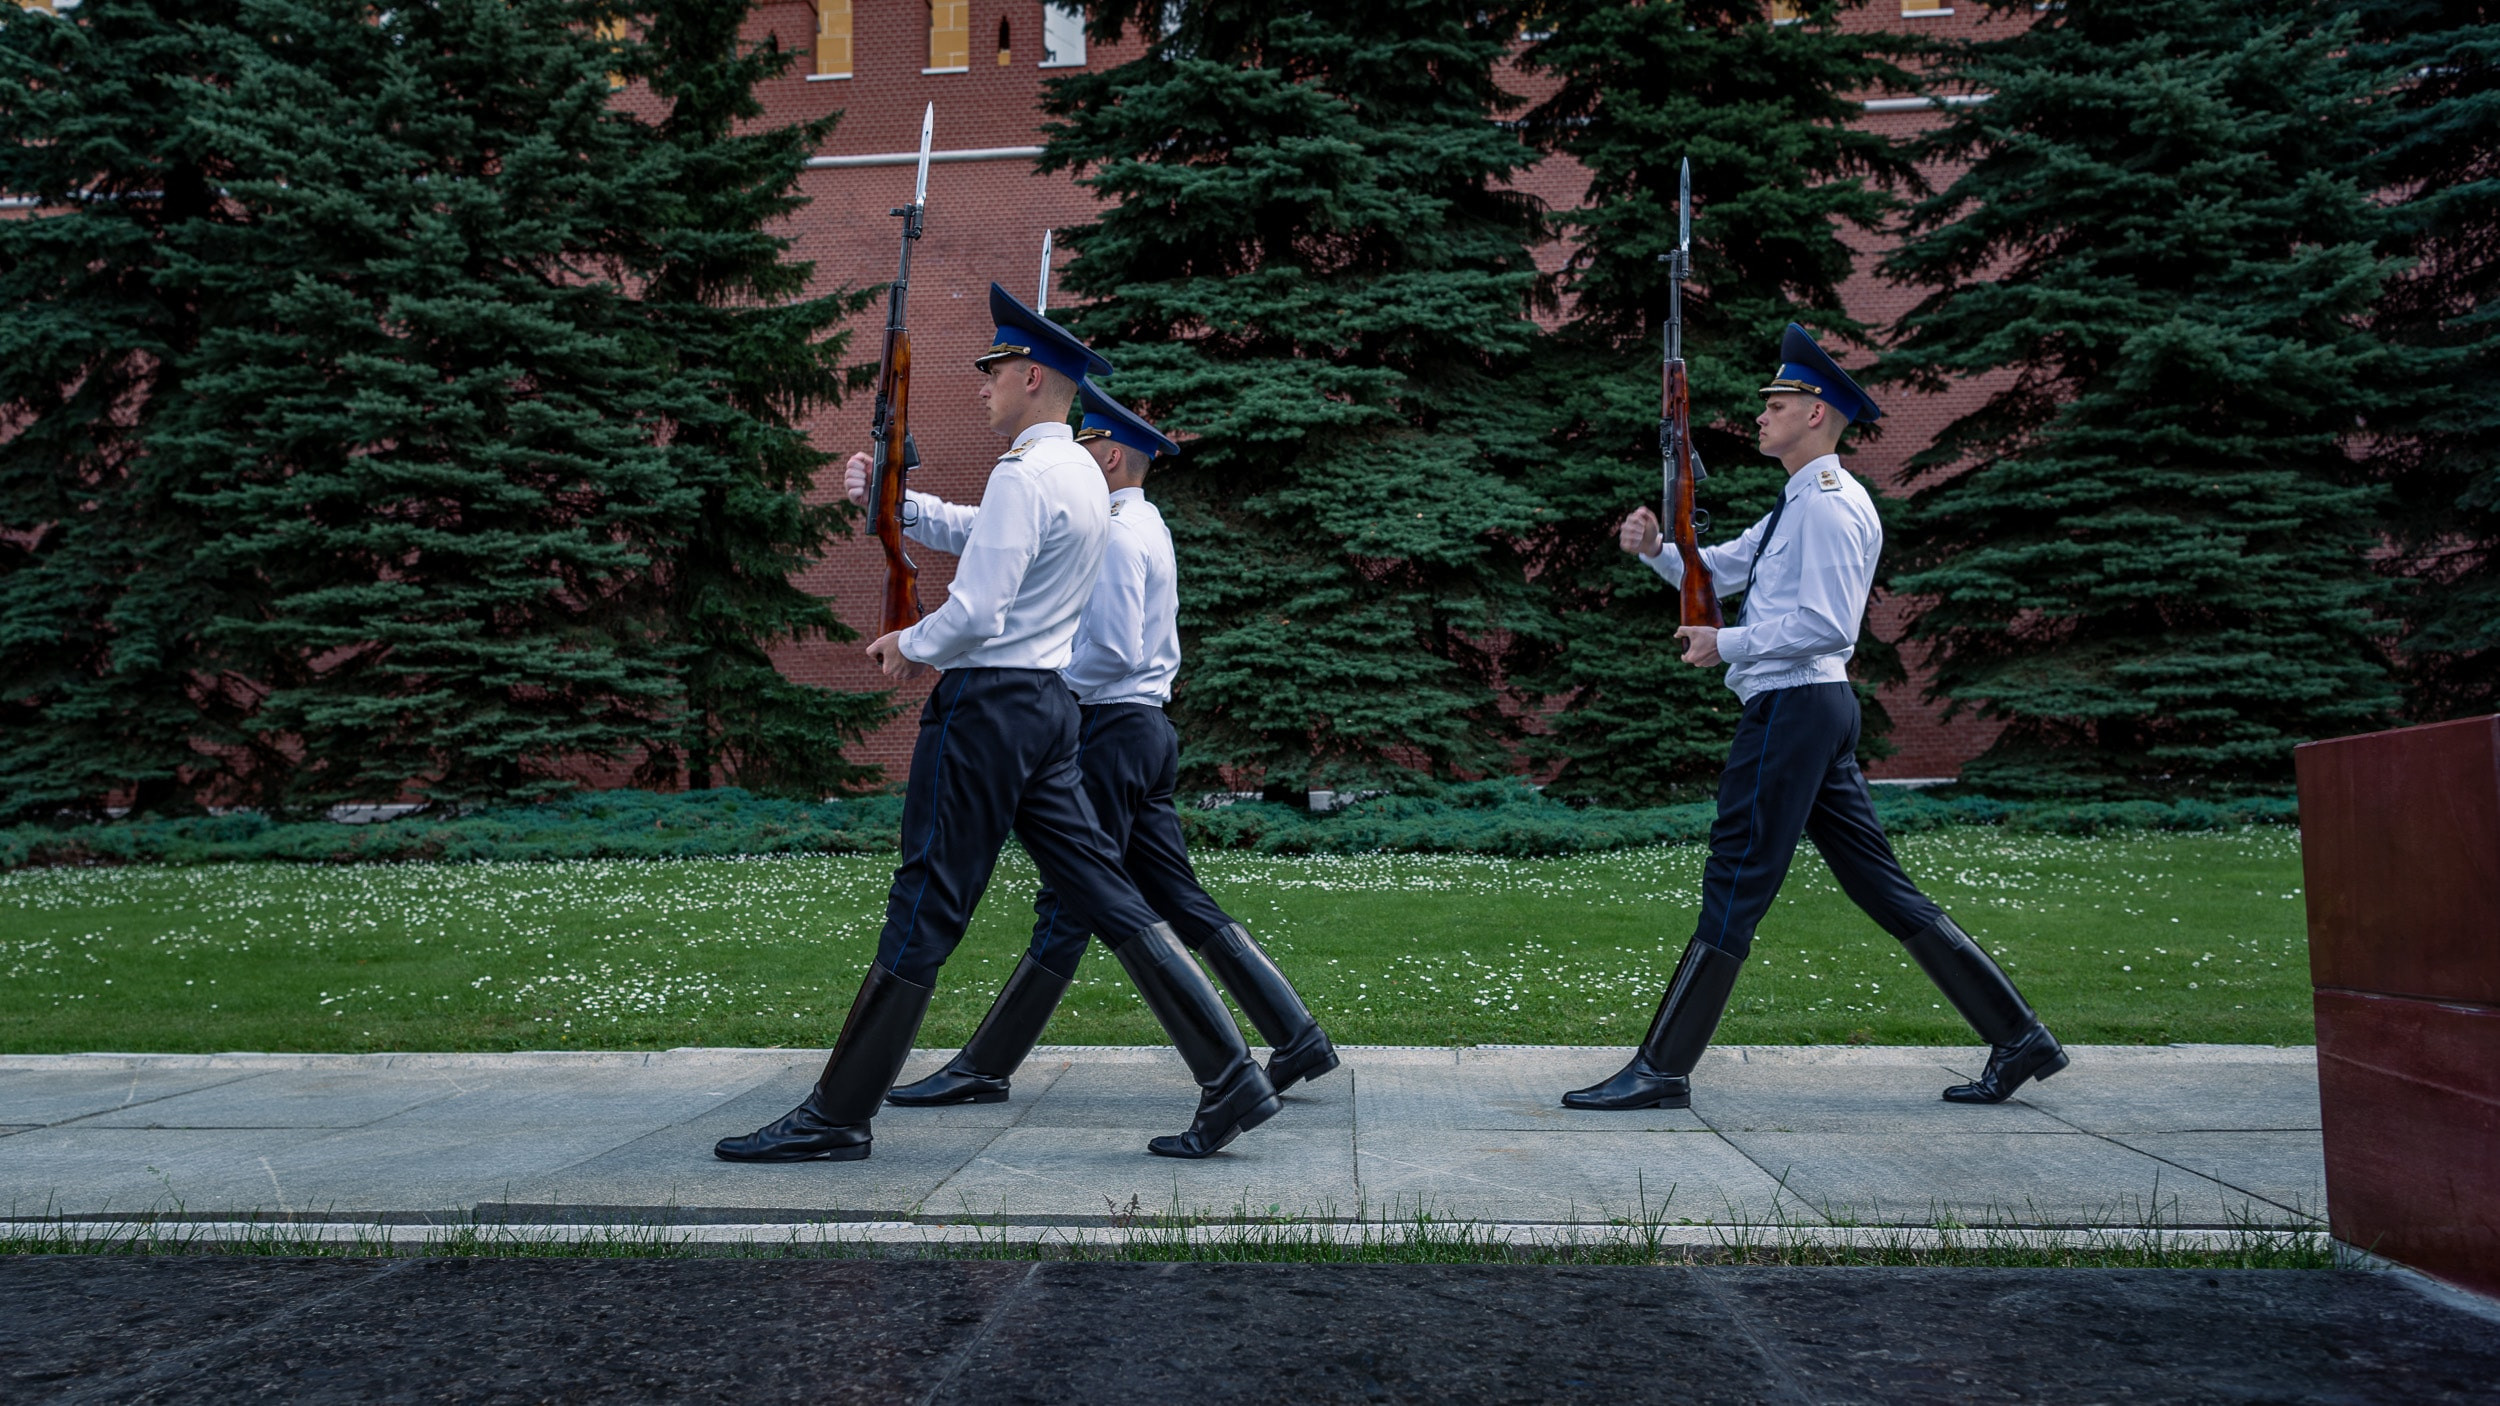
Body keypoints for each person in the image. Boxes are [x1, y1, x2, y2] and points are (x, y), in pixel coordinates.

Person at [714, 286, 1281, 1163]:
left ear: (1031, 375)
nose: (980, 386)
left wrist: (911, 642)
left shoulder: (1025, 473)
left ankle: (836, 1116)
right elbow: (988, 536)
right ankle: (1232, 1071)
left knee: (927, 899)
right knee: (1107, 892)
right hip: (1048, 712)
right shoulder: (1081, 481)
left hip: (986, 709)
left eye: (991, 372)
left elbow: (978, 606)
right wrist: (899, 503)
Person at [1564, 323, 2067, 1112]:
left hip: (1795, 708)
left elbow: (1829, 624)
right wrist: (1658, 549)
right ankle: (2020, 1036)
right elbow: (1723, 566)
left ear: (1817, 414)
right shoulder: (1799, 502)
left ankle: (1662, 1068)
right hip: (1812, 708)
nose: (1762, 413)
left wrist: (1723, 641)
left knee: (1735, 880)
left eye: (1778, 401)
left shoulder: (1829, 508)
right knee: (1880, 887)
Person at [844, 386, 1338, 1110]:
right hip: (1144, 730)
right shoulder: (1136, 521)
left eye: (1088, 443)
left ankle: (989, 1064)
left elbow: (1111, 648)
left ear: (1110, 454)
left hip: (1110, 724)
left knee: (1073, 905)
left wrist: (1041, 675)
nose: (1075, 451)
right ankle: (1293, 1036)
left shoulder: (1112, 530)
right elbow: (991, 529)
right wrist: (900, 504)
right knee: (1168, 893)